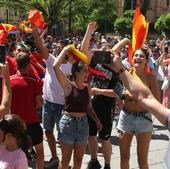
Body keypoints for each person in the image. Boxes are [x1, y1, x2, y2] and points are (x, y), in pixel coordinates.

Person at [110, 52, 170, 169]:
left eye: (142, 56)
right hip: (126, 118)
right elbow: (116, 90)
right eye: (135, 55)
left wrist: (138, 98)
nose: (138, 58)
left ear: (147, 60)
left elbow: (156, 102)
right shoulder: (126, 75)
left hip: (144, 119)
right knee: (124, 158)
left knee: (142, 160)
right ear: (131, 59)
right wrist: (122, 94)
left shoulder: (151, 78)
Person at [53, 46, 102, 169]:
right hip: (68, 124)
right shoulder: (68, 86)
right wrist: (65, 49)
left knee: (79, 161)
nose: (88, 73)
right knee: (65, 161)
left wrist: (97, 120)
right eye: (85, 71)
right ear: (76, 72)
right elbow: (55, 67)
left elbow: (89, 108)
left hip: (83, 125)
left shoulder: (87, 88)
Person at [32, 24, 72, 168]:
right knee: (48, 131)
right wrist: (34, 30)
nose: (59, 50)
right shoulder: (52, 61)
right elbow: (40, 46)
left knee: (63, 136)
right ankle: (55, 158)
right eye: (58, 48)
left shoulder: (73, 66)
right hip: (48, 103)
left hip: (63, 105)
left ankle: (65, 162)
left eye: (62, 49)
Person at [81, 21, 120, 169]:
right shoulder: (96, 64)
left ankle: (108, 164)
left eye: (108, 52)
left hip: (106, 107)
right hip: (92, 105)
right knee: (91, 135)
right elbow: (84, 51)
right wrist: (88, 31)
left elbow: (117, 92)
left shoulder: (117, 70)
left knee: (104, 138)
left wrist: (98, 91)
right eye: (103, 51)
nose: (105, 54)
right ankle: (94, 160)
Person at [10, 52, 44, 169]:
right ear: (29, 64)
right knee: (39, 152)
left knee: (16, 154)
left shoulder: (9, 81)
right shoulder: (36, 81)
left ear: (16, 64)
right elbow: (39, 103)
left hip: (15, 125)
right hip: (32, 122)